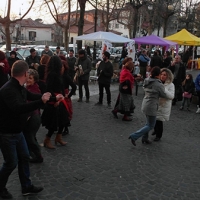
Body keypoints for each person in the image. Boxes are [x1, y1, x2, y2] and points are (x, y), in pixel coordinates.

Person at [0, 60, 60, 199]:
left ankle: (26, 186)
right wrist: (41, 102)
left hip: (17, 131)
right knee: (11, 163)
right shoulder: (8, 89)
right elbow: (18, 108)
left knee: (24, 157)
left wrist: (52, 98)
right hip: (6, 133)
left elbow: (32, 96)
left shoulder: (19, 86)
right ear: (26, 73)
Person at [128, 67, 167, 146]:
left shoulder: (147, 80)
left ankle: (145, 138)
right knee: (151, 125)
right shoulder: (158, 84)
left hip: (145, 103)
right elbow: (163, 94)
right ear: (157, 75)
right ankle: (134, 136)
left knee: (148, 123)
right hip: (152, 106)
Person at [42, 56, 69, 149]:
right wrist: (55, 98)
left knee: (63, 120)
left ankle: (58, 137)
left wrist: (62, 95)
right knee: (54, 123)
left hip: (60, 98)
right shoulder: (52, 74)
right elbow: (48, 88)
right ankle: (47, 139)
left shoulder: (57, 74)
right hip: (54, 100)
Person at [23, 69, 43, 163]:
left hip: (33, 117)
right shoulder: (28, 88)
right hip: (32, 116)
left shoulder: (34, 89)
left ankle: (38, 156)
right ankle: (32, 153)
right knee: (31, 137)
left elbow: (31, 104)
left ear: (35, 80)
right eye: (27, 78)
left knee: (30, 137)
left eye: (30, 78)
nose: (28, 80)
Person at [152, 68, 175, 141]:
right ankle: (155, 130)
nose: (162, 76)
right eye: (161, 74)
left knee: (159, 121)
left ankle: (159, 135)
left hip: (163, 105)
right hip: (155, 104)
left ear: (168, 76)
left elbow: (171, 96)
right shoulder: (157, 82)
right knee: (154, 119)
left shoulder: (171, 85)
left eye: (164, 75)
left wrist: (163, 90)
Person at [61, 59, 77, 135]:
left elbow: (74, 86)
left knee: (65, 112)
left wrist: (69, 95)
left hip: (65, 94)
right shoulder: (57, 75)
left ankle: (66, 128)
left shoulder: (66, 76)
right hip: (59, 94)